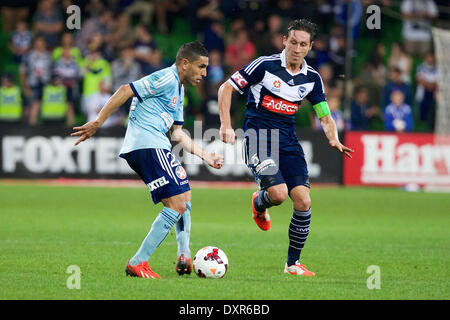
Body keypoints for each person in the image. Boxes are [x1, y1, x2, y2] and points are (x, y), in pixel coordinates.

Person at [71, 41, 224, 279]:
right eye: (201, 66)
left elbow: (177, 133)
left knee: (184, 195)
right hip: (147, 144)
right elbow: (124, 90)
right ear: (185, 64)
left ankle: (184, 255)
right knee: (176, 205)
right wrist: (98, 122)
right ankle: (138, 262)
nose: (205, 73)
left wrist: (206, 156)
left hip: (155, 145)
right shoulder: (165, 78)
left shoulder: (180, 90)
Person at [218, 19, 354, 276]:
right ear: (284, 41)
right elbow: (226, 88)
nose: (297, 48)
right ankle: (260, 202)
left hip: (288, 142)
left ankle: (293, 264)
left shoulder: (312, 78)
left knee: (303, 200)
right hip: (258, 137)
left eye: (303, 44)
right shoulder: (265, 65)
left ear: (310, 46)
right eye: (293, 42)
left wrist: (333, 137)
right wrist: (226, 124)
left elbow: (324, 116)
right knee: (279, 194)